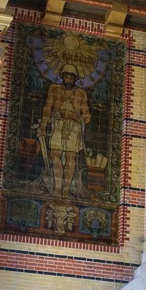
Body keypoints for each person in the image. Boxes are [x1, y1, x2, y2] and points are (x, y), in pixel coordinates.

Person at [38, 64, 92, 197]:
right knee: (54, 154)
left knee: (71, 157)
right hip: (58, 123)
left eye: (71, 78)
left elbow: (86, 113)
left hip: (74, 126)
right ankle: (57, 188)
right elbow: (47, 107)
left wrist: (81, 117)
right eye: (66, 77)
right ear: (63, 77)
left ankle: (66, 190)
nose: (68, 80)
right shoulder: (54, 88)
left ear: (75, 79)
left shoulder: (81, 93)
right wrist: (43, 126)